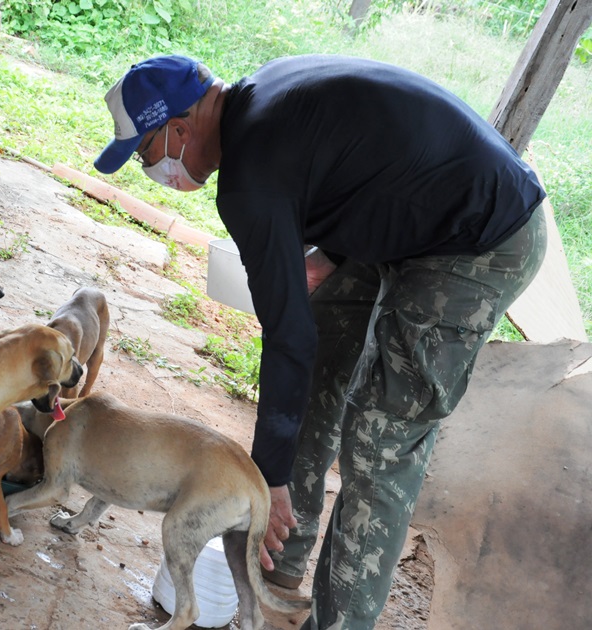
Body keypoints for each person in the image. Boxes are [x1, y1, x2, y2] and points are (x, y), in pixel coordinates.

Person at [93, 54, 547, 629]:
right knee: (321, 349)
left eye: (144, 153)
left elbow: (286, 337)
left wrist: (268, 475)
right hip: (418, 216)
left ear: (180, 130)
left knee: (380, 437)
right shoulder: (258, 102)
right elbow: (360, 167)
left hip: (479, 237)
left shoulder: (250, 176)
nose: (148, 168)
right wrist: (327, 255)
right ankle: (277, 565)